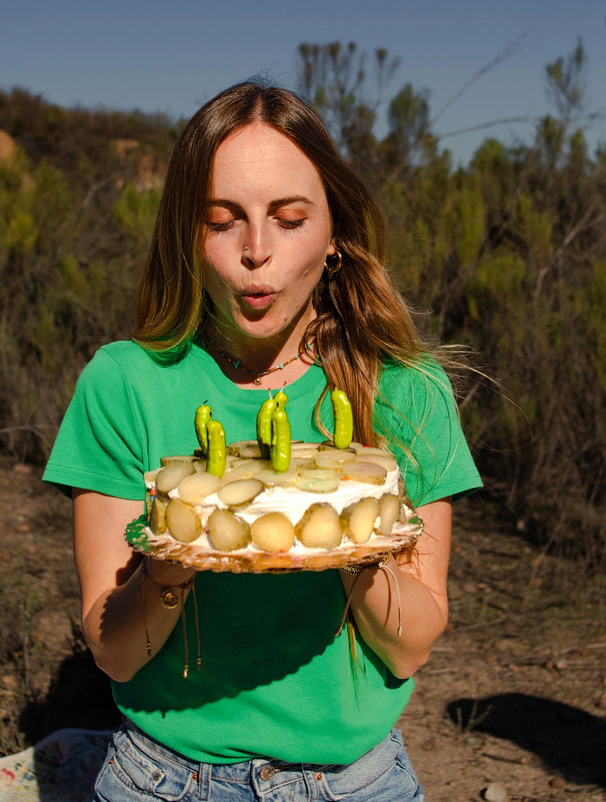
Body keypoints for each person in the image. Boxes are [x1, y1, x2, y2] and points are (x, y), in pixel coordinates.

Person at [42, 80, 482, 801]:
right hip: (161, 779)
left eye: (288, 217)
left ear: (334, 230)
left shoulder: (407, 389)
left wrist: (343, 529)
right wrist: (176, 552)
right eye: (222, 221)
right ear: (188, 233)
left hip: (354, 783)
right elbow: (116, 654)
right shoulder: (124, 383)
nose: (255, 251)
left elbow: (411, 645)